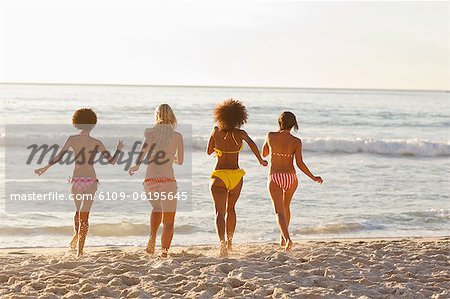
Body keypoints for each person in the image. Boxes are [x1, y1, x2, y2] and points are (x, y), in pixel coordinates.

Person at [35, 108, 124, 256]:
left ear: (76, 122)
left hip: (77, 180)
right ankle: (80, 249)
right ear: (93, 124)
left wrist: (45, 167)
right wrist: (118, 150)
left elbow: (59, 156)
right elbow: (112, 161)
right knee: (84, 215)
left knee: (78, 213)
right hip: (91, 180)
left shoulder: (72, 139)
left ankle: (78, 240)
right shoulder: (96, 142)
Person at [207, 99, 267, 257]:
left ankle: (222, 245)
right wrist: (260, 160)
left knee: (219, 213)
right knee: (231, 209)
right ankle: (230, 243)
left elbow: (208, 151)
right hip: (235, 176)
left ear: (220, 116)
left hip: (219, 175)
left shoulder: (215, 131)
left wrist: (219, 148)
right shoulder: (240, 134)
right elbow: (252, 144)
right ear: (239, 117)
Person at [262, 111, 323, 251]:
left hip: (275, 176)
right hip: (291, 177)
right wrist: (313, 177)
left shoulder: (270, 135)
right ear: (293, 124)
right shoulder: (296, 141)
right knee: (286, 207)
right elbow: (300, 163)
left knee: (279, 212)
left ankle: (287, 239)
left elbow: (264, 154)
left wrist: (269, 146)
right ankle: (283, 239)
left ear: (279, 122)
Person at [129, 104, 184, 258]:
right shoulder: (177, 136)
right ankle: (164, 253)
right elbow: (180, 161)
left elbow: (142, 153)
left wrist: (136, 166)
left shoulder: (149, 133)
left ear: (157, 116)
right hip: (167, 180)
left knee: (156, 209)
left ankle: (151, 239)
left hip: (150, 179)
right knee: (169, 221)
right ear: (172, 116)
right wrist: (170, 157)